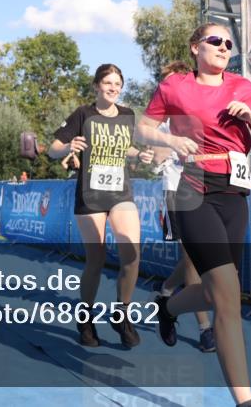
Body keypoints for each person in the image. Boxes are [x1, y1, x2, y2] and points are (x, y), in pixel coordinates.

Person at [136, 24, 251, 407]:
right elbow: (142, 129)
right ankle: (246, 403)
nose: (223, 47)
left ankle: (167, 306)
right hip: (194, 189)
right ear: (196, 47)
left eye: (229, 43)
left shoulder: (243, 88)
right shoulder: (175, 87)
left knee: (221, 294)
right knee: (229, 300)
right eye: (215, 41)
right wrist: (170, 139)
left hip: (234, 195)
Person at [49, 64, 153, 348]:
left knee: (132, 253)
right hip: (90, 195)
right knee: (96, 259)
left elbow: (126, 148)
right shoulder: (83, 114)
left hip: (120, 193)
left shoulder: (128, 115)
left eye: (118, 83)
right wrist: (69, 147)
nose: (113, 87)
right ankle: (85, 318)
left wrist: (140, 155)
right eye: (108, 82)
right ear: (96, 85)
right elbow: (52, 148)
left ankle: (122, 313)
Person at [152, 60, 215, 353]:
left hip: (207, 189)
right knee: (192, 261)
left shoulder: (199, 111)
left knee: (198, 258)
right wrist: (166, 148)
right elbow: (154, 156)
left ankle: (165, 292)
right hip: (177, 191)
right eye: (165, 82)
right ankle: (205, 329)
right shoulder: (161, 118)